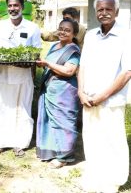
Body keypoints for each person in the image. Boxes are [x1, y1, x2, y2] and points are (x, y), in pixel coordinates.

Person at [78, 0, 131, 192]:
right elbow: (82, 66)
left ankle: (113, 181)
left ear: (116, 11)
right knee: (92, 138)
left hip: (111, 101)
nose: (104, 13)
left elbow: (128, 72)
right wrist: (81, 92)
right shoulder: (91, 35)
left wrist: (102, 96)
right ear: (96, 12)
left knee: (113, 140)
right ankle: (95, 176)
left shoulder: (127, 36)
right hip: (88, 98)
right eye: (100, 9)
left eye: (108, 9)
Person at [0, 0, 42, 157]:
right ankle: (0, 142)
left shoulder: (32, 28)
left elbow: (36, 52)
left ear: (23, 7)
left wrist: (25, 63)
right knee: (1, 108)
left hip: (23, 76)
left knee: (22, 109)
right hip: (2, 75)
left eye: (16, 6)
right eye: (10, 6)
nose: (13, 9)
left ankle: (20, 143)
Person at [35, 18, 81, 168]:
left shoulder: (73, 50)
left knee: (63, 122)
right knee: (50, 121)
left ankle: (64, 156)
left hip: (64, 91)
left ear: (74, 34)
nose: (63, 32)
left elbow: (69, 71)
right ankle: (52, 152)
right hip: (51, 88)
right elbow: (52, 65)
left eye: (67, 30)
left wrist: (47, 63)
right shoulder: (55, 45)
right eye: (61, 28)